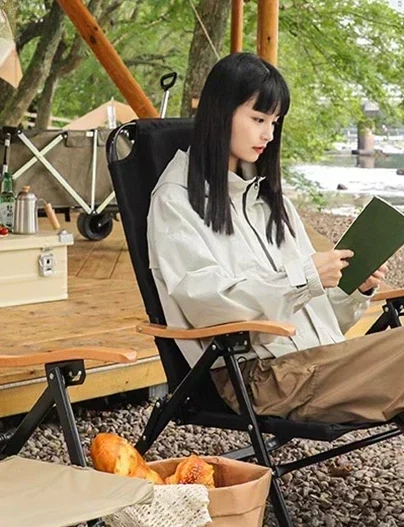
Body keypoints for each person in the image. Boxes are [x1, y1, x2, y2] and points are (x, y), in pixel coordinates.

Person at [147, 52, 401, 425]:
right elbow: (205, 304)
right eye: (258, 119)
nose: (268, 134)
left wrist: (352, 289)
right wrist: (302, 277)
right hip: (261, 379)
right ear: (220, 113)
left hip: (318, 362)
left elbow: (319, 318)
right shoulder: (177, 200)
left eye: (274, 122)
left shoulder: (268, 197)